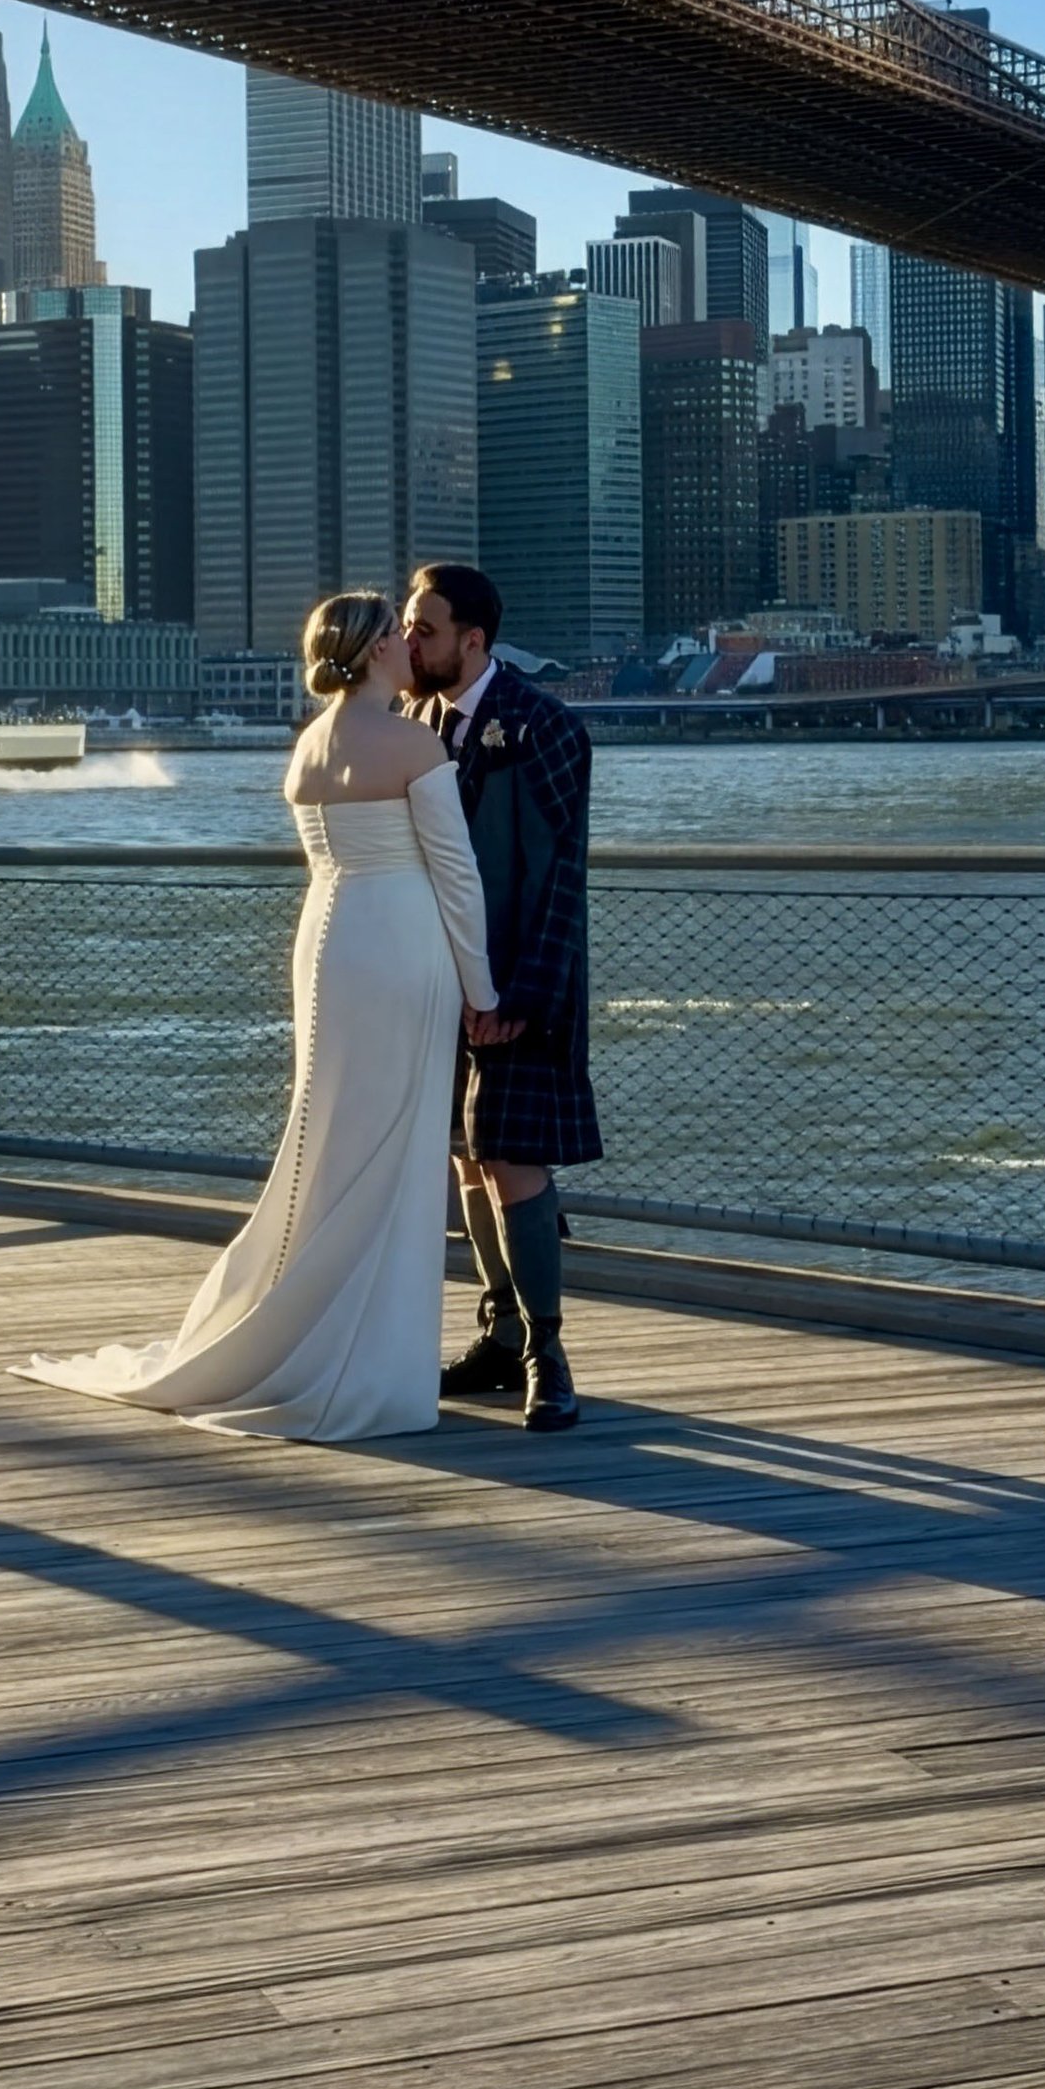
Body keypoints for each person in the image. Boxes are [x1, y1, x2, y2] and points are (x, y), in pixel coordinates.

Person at [16, 589, 496, 1442]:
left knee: (327, 1140)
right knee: (393, 1148)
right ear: (379, 650)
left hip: (327, 943)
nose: (408, 643)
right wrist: (484, 991)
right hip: (399, 946)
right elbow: (456, 876)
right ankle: (368, 1363)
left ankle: (299, 1325)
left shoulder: (309, 743)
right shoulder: (413, 742)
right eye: (398, 633)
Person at [403, 558, 599, 1433]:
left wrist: (520, 991)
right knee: (466, 1156)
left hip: (522, 981)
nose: (411, 639)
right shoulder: (412, 721)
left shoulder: (542, 725)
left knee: (515, 1160)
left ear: (473, 640)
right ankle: (499, 1330)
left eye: (426, 628)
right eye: (411, 626)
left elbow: (564, 875)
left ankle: (546, 1359)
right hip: (436, 984)